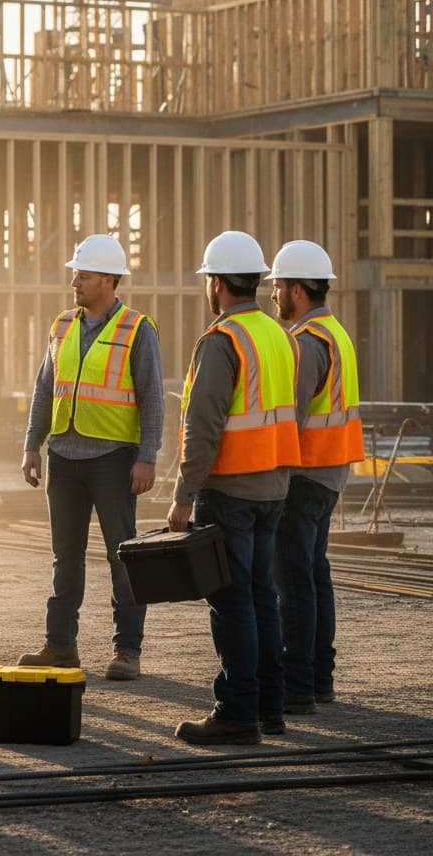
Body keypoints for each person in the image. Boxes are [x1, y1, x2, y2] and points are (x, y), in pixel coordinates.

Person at [167, 230, 301, 745]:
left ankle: (237, 713)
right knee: (263, 597)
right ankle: (269, 709)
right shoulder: (279, 336)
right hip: (274, 486)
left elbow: (203, 426)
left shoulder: (222, 341)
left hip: (230, 490)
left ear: (218, 283)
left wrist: (184, 495)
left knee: (232, 602)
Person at [17, 234, 164, 680]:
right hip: (63, 456)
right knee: (65, 557)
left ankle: (127, 650)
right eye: (75, 274)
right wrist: (32, 444)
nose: (74, 282)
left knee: (123, 556)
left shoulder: (137, 329)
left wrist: (147, 457)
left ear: (108, 280)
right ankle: (60, 645)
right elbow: (45, 389)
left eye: (82, 275)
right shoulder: (62, 325)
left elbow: (153, 398)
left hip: (113, 459)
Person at [266, 240, 364, 715]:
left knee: (294, 582)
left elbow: (292, 419)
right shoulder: (336, 333)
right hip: (331, 472)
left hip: (304, 476)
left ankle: (298, 686)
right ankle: (319, 679)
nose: (273, 295)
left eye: (278, 286)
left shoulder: (306, 343)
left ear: (298, 290)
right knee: (314, 575)